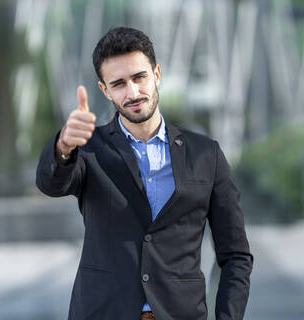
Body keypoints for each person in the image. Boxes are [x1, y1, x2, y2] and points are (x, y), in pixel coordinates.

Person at [36, 26, 253, 320]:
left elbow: (236, 255)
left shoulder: (206, 154)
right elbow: (51, 183)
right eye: (119, 84)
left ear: (157, 74)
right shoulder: (88, 149)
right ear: (105, 90)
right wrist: (63, 146)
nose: (133, 92)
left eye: (139, 77)